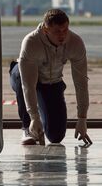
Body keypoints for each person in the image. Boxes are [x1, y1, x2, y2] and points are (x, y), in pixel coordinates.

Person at [10, 8, 92, 146]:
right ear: (45, 30)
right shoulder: (31, 42)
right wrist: (34, 117)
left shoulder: (75, 43)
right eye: (57, 32)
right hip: (28, 78)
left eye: (65, 30)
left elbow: (81, 83)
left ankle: (43, 120)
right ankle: (27, 128)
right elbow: (28, 85)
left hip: (52, 82)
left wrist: (82, 119)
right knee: (20, 76)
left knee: (56, 136)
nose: (62, 36)